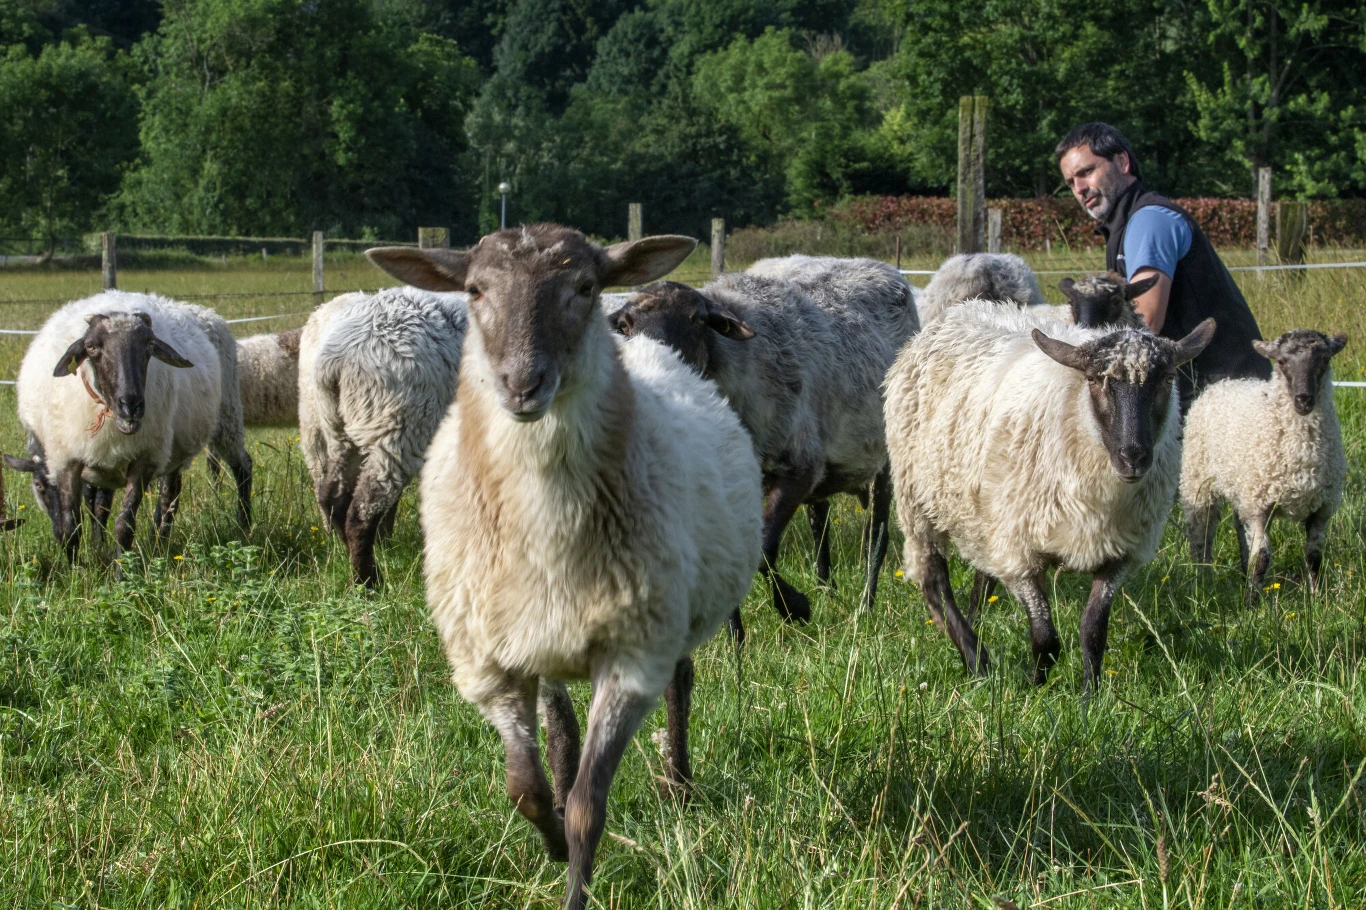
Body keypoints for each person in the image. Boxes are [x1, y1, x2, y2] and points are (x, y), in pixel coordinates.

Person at [1055, 122, 1270, 403]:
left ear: (1122, 161)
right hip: (1203, 393)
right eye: (1070, 182)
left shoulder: (1150, 220)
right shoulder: (1125, 225)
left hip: (1227, 395)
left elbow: (1146, 322)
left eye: (1086, 172)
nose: (1080, 188)